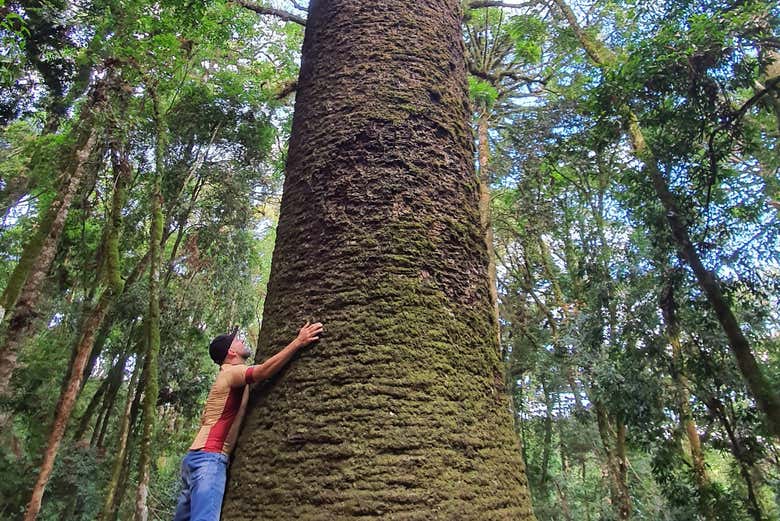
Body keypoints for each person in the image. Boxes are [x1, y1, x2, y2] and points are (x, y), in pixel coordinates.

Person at [173, 321, 324, 521]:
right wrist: (298, 342)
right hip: (210, 459)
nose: (241, 340)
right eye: (236, 340)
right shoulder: (231, 373)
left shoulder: (224, 377)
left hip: (194, 459)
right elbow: (263, 372)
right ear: (231, 352)